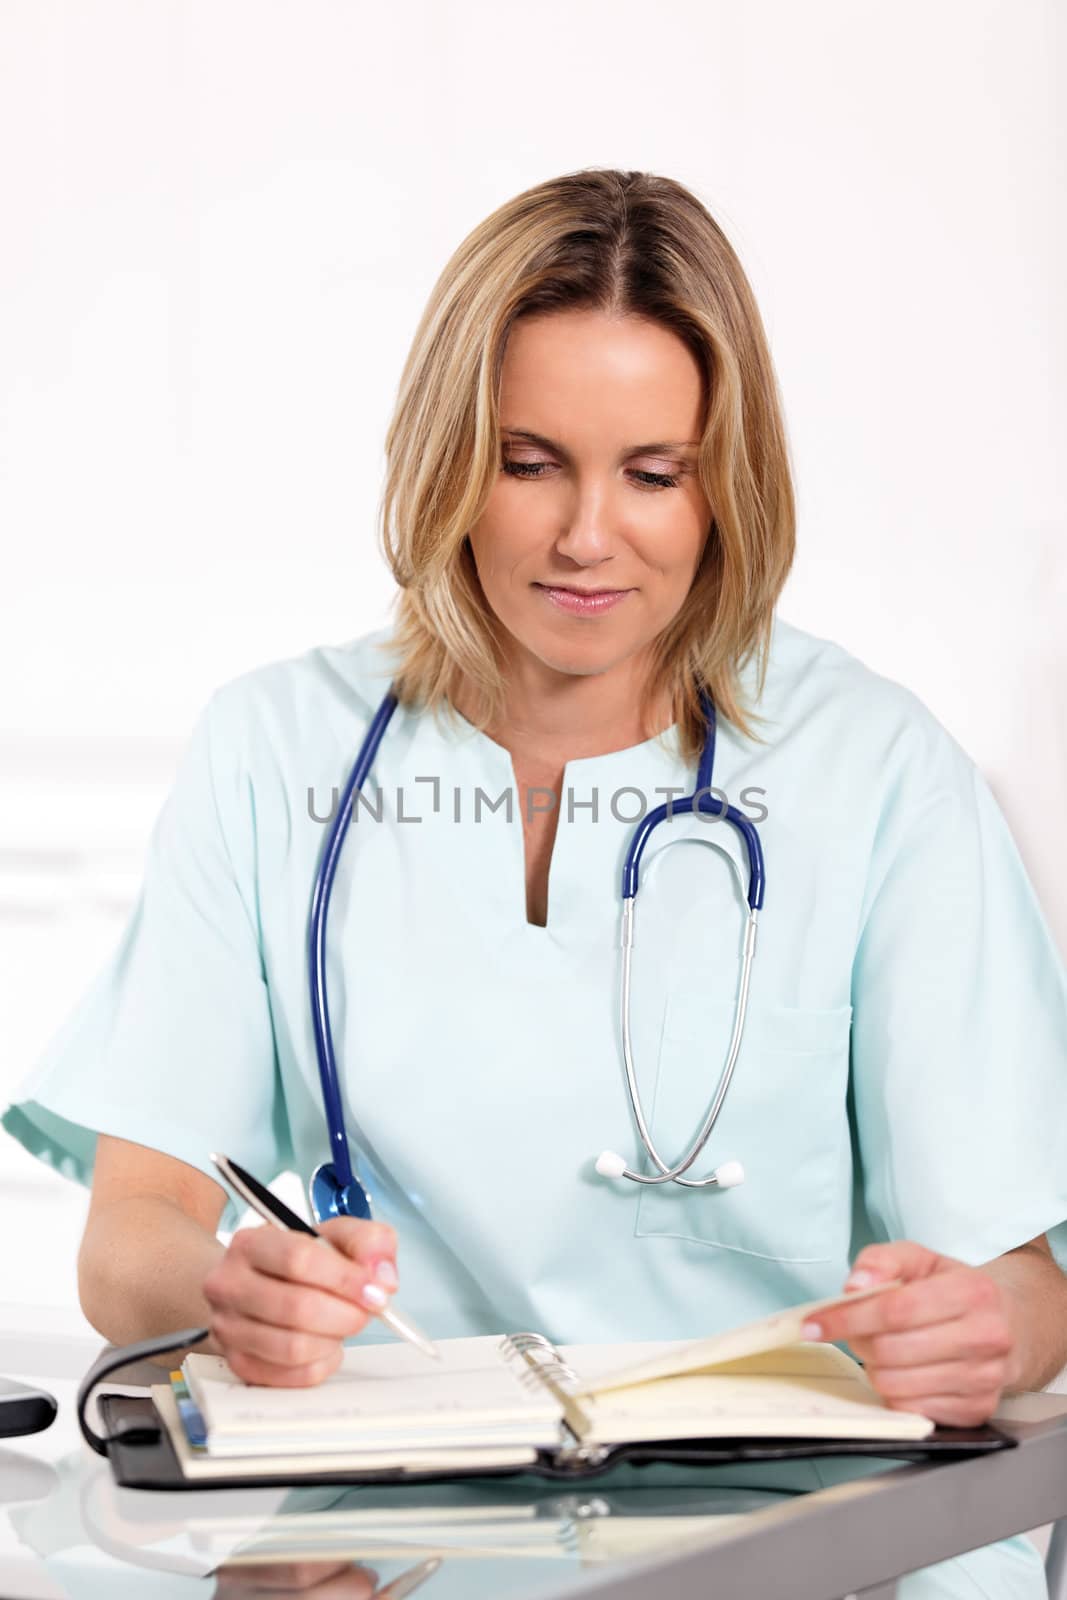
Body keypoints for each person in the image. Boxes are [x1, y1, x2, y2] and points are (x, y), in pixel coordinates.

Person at [4, 168, 1067, 1598]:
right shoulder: (276, 751)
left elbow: (1019, 1291)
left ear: (724, 482)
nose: (585, 534)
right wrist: (224, 1302)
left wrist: (975, 1331)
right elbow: (134, 1229)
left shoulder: (879, 773)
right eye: (528, 460)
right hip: (380, 1519)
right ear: (450, 458)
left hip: (778, 1522)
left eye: (653, 472)